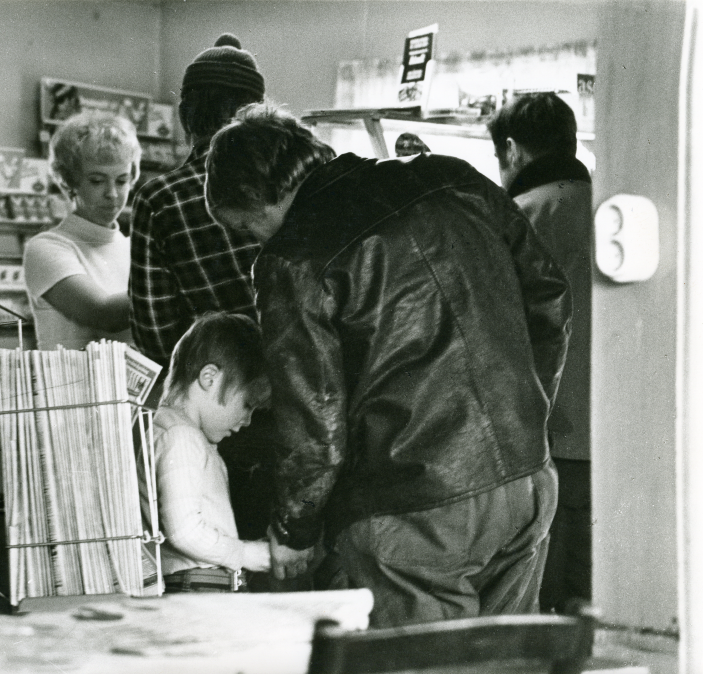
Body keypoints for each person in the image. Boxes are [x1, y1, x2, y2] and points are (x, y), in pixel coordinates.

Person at [205, 104, 572, 627]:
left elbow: (315, 421)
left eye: (247, 231)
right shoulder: (450, 177)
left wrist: (293, 533)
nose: (256, 244)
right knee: (505, 661)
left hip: (413, 506)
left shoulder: (293, 257)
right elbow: (551, 300)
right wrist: (526, 409)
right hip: (526, 478)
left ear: (254, 197)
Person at [129, 33, 277, 545]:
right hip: (310, 406)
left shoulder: (160, 197)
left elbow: (154, 332)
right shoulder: (294, 185)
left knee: (226, 551)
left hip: (221, 412)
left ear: (186, 113)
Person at [488, 92, 593, 614]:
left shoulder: (515, 218)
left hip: (542, 445)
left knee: (539, 609)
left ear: (511, 151)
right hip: (622, 451)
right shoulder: (611, 207)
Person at [151, 313, 272, 593]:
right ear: (209, 377)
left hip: (200, 583)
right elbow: (184, 531)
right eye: (247, 404)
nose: (248, 421)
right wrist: (249, 555)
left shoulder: (174, 432)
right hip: (199, 587)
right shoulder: (180, 436)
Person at [23, 111, 141, 350]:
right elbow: (103, 314)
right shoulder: (46, 248)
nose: (112, 194)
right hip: (70, 387)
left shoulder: (133, 247)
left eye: (121, 180)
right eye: (97, 181)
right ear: (69, 181)